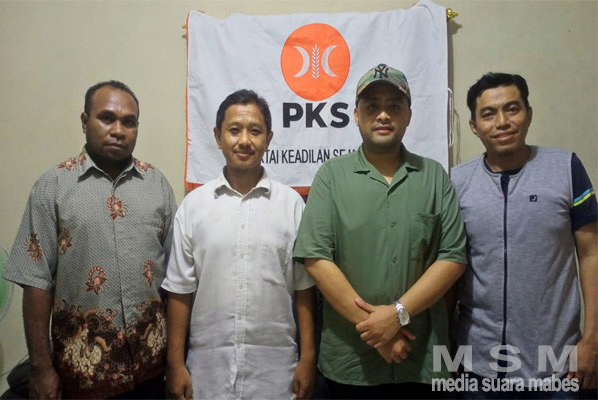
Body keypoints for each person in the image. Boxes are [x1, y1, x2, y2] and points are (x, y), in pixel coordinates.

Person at [293, 63, 467, 399]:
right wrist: (378, 331)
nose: (383, 115)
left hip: (422, 359)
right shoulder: (331, 176)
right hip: (351, 361)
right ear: (356, 115)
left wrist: (397, 315)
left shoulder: (434, 177)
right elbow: (316, 258)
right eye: (372, 106)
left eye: (394, 106)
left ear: (408, 116)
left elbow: (453, 258)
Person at [3, 80, 177, 399]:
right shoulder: (53, 187)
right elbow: (36, 282)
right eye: (106, 118)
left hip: (151, 370)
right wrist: (41, 368)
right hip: (82, 374)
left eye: (129, 122)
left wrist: (176, 360)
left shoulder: (157, 185)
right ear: (85, 122)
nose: (118, 130)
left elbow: (175, 279)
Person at [162, 89, 317, 400]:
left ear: (268, 139)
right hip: (207, 373)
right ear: (218, 137)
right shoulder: (194, 207)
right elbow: (180, 290)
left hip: (276, 374)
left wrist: (308, 358)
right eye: (234, 130)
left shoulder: (292, 206)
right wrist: (175, 363)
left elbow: (304, 288)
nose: (244, 140)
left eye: (255, 131)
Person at [451, 72, 597, 398]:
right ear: (474, 126)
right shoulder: (457, 182)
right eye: (489, 114)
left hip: (556, 365)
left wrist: (592, 340)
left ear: (528, 114)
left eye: (512, 109)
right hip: (478, 366)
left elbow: (592, 255)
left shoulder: (566, 168)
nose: (502, 122)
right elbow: (450, 267)